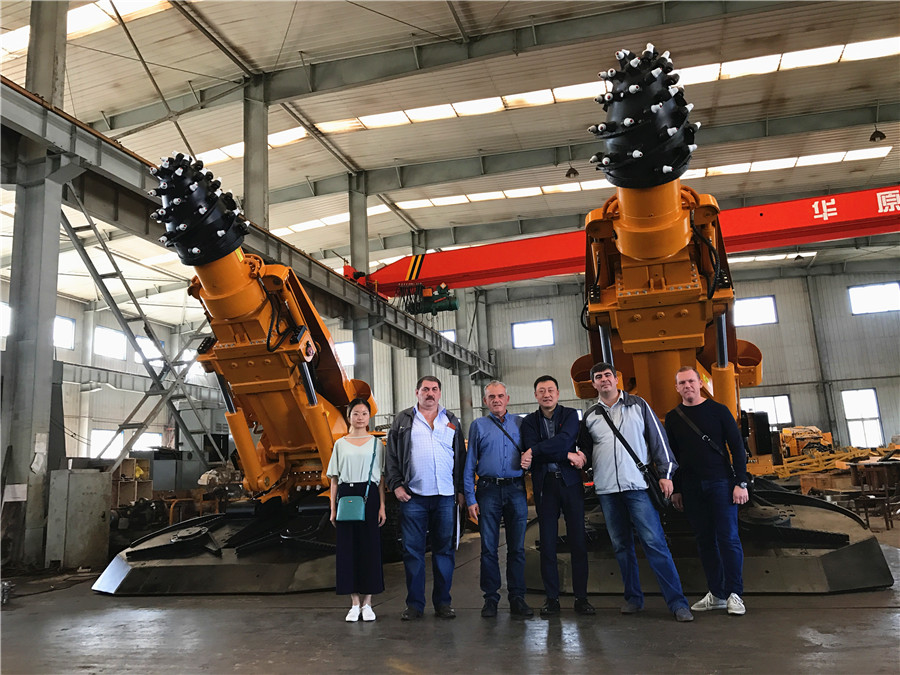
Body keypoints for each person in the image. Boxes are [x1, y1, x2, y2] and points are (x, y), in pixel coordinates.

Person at [579, 362, 694, 622]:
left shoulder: (638, 405)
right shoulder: (591, 416)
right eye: (599, 377)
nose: (604, 380)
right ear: (594, 384)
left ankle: (677, 603)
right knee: (621, 546)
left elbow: (659, 440)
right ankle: (633, 598)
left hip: (638, 487)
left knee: (655, 543)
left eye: (608, 375)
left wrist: (665, 475)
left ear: (616, 379)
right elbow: (585, 449)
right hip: (607, 491)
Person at [665, 366, 749, 616]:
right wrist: (677, 489)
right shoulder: (673, 418)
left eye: (691, 381)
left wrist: (741, 482)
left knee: (728, 539)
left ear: (700, 383)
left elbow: (737, 447)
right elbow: (673, 456)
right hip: (692, 489)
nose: (687, 386)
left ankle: (735, 594)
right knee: (705, 541)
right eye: (682, 383)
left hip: (721, 483)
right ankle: (717, 594)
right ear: (677, 387)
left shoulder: (719, 411)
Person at [385, 375, 466, 621]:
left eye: (434, 389)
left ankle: (443, 603)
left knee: (445, 552)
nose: (430, 393)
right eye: (425, 389)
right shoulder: (403, 420)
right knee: (413, 552)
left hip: (445, 496)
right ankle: (414, 605)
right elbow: (391, 456)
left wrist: (461, 490)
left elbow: (460, 457)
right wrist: (396, 485)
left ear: (439, 393)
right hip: (414, 497)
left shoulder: (451, 420)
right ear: (417, 392)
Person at [520, 375, 595, 616]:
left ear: (558, 393)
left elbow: (564, 441)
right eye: (541, 391)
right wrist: (566, 454)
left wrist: (534, 450)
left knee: (578, 541)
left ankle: (581, 598)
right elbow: (558, 449)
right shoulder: (529, 422)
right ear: (536, 396)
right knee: (548, 544)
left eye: (550, 390)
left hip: (570, 485)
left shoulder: (571, 415)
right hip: (545, 487)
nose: (547, 394)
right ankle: (551, 599)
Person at [464, 381, 533, 618]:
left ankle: (517, 597)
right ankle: (491, 599)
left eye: (500, 396)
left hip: (515, 489)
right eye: (491, 397)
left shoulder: (520, 424)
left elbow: (532, 453)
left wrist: (529, 461)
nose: (496, 400)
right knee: (488, 548)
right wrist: (470, 497)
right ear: (485, 401)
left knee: (517, 548)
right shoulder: (478, 426)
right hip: (488, 490)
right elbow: (469, 462)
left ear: (507, 398)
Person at [327, 397, 386, 622]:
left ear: (369, 417)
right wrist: (333, 508)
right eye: (355, 413)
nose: (360, 418)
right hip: (346, 496)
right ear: (348, 416)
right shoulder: (340, 444)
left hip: (369, 496)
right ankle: (353, 603)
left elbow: (381, 479)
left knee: (370, 549)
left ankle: (368, 602)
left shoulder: (376, 444)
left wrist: (382, 506)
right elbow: (334, 479)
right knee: (347, 550)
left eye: (364, 413)